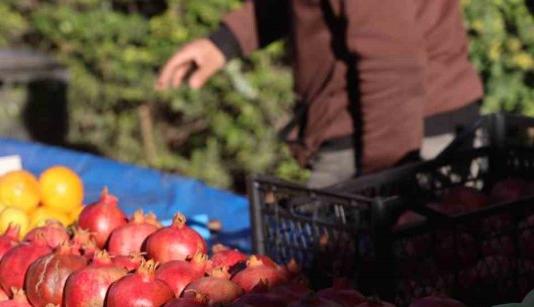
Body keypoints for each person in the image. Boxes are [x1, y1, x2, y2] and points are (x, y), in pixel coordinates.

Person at [156, 0, 484, 188]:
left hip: (400, 135)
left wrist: (384, 183)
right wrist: (227, 40)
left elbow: (391, 63)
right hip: (381, 130)